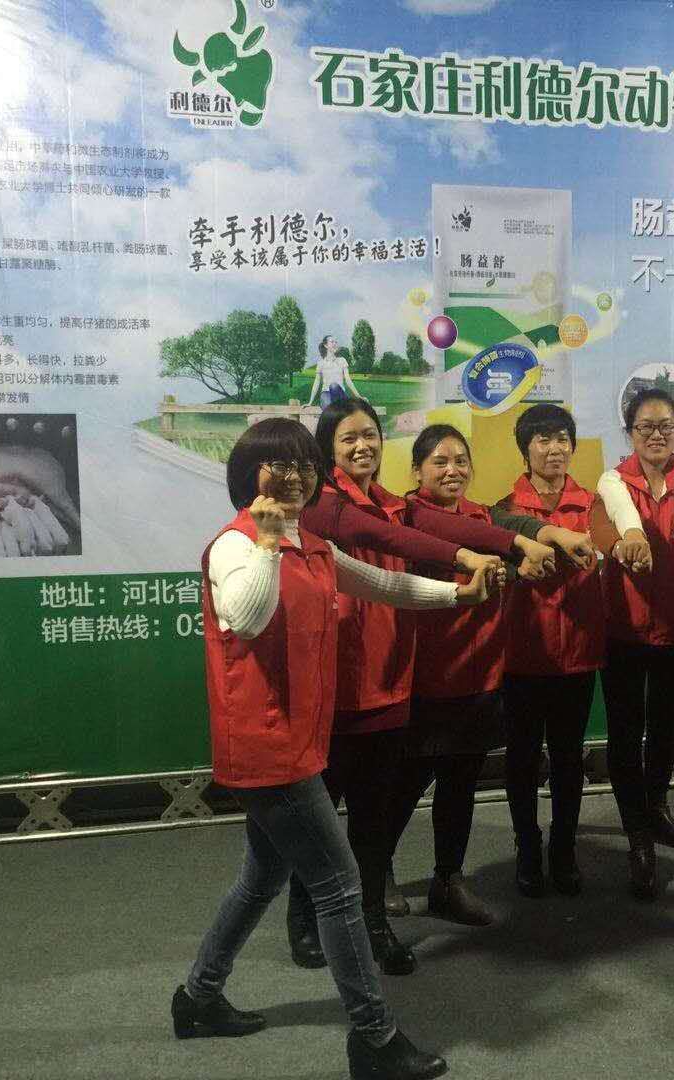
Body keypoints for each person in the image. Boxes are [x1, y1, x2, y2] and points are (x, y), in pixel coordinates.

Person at [175, 417, 487, 1079]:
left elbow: (384, 585)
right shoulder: (236, 545)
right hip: (267, 750)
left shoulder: (312, 545)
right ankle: (374, 1039)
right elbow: (249, 617)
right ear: (250, 475)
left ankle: (197, 997)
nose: (294, 477)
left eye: (304, 466)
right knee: (341, 888)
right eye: (278, 466)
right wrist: (266, 541)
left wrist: (457, 593)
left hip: (299, 741)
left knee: (260, 879)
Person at [280, 397, 524, 976]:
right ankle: (304, 918)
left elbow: (441, 524)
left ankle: (371, 922)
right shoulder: (321, 505)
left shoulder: (394, 504)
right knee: (321, 814)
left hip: (391, 681)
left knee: (373, 818)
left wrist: (521, 541)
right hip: (335, 685)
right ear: (327, 450)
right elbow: (388, 539)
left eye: (370, 434)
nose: (363, 445)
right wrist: (466, 556)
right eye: (348, 438)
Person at [386, 424, 578, 925]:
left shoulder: (484, 516)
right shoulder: (405, 518)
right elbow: (449, 562)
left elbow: (517, 529)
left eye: (460, 461)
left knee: (460, 785)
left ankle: (447, 880)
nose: (452, 470)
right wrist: (512, 564)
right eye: (439, 462)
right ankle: (376, 871)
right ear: (417, 470)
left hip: (480, 678)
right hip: (425, 677)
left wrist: (531, 557)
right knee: (405, 785)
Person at [589, 388, 674, 899]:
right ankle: (637, 834)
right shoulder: (613, 482)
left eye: (666, 426)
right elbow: (600, 529)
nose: (656, 435)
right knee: (624, 732)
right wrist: (623, 545)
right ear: (630, 432)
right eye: (645, 427)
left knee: (664, 727)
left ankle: (656, 807)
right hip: (622, 629)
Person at [496, 403, 605, 897]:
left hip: (577, 655)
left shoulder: (596, 506)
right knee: (521, 760)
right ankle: (527, 847)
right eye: (543, 439)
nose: (554, 448)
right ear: (526, 450)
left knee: (567, 759)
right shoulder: (502, 510)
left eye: (562, 438)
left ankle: (563, 849)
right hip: (521, 655)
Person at [306, 335, 362, 408]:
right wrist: (310, 402)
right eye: (332, 342)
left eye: (336, 342)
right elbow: (316, 382)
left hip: (339, 394)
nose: (335, 344)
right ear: (326, 345)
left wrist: (359, 396)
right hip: (326, 394)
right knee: (328, 406)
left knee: (334, 386)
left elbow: (348, 380)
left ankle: (342, 406)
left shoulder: (342, 360)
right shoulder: (321, 363)